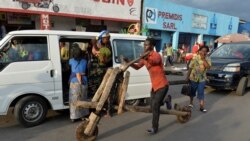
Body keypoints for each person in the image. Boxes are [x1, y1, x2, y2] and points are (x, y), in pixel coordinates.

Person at [124, 37, 169, 134]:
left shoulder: (156, 55)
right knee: (152, 107)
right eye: (144, 44)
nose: (145, 46)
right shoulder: (144, 58)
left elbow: (154, 61)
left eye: (147, 44)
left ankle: (154, 127)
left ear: (152, 46)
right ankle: (166, 100)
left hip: (162, 85)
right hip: (154, 86)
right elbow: (137, 67)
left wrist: (144, 57)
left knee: (156, 106)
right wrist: (128, 62)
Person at [186, 46, 211, 113]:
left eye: (205, 51)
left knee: (201, 92)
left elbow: (208, 67)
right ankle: (191, 103)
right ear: (199, 51)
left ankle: (201, 106)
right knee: (192, 91)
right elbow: (190, 68)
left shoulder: (208, 58)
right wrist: (187, 77)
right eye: (202, 51)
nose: (203, 52)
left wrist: (203, 60)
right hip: (193, 78)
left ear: (207, 52)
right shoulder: (195, 58)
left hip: (202, 79)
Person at [68, 43, 89, 122]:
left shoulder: (70, 61)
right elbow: (87, 71)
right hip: (83, 81)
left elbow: (67, 68)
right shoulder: (85, 61)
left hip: (74, 82)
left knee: (74, 99)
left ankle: (73, 117)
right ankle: (83, 114)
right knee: (83, 98)